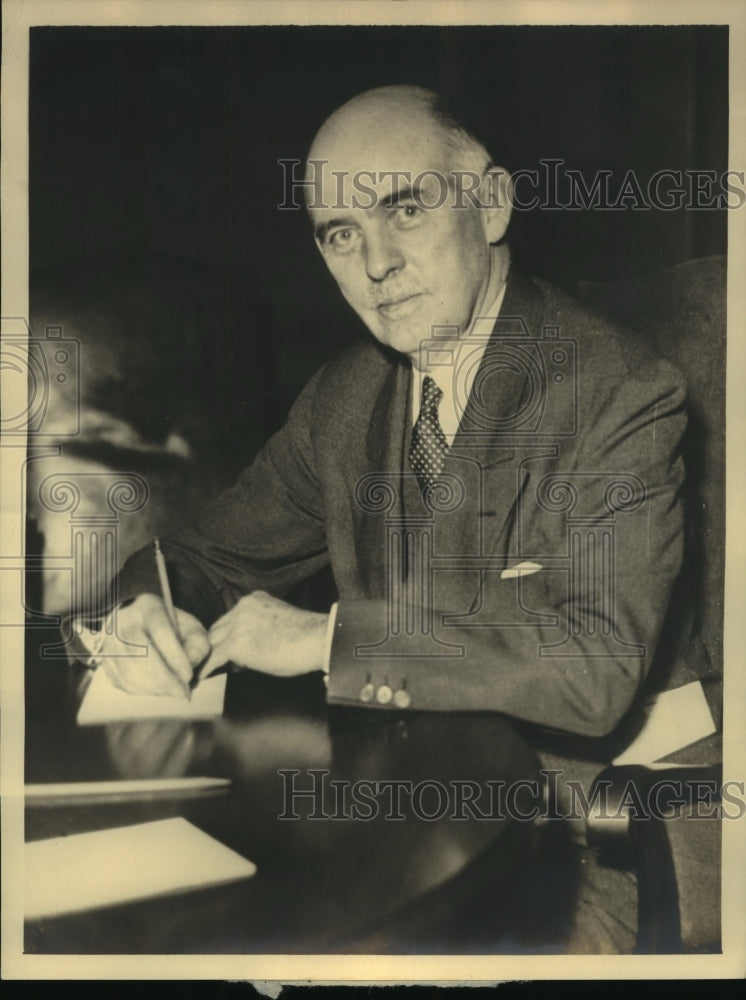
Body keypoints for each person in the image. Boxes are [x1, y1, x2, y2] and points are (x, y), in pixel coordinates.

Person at [80, 85, 687, 739]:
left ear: (490, 205)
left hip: (579, 806)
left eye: (403, 212)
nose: (377, 263)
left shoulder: (616, 390)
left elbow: (595, 668)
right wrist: (146, 608)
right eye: (343, 234)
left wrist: (328, 641)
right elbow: (199, 558)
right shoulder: (345, 398)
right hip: (396, 787)